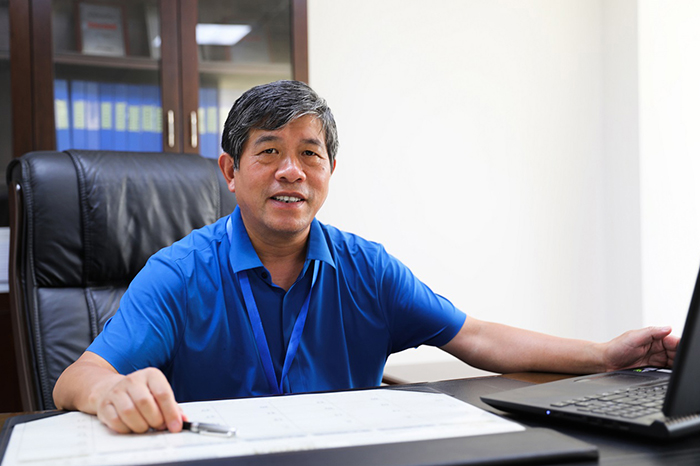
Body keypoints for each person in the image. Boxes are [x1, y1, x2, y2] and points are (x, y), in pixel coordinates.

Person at [53, 80, 679, 435]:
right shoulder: (179, 272)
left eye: (310, 153)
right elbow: (75, 378)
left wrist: (605, 355)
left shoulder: (366, 270)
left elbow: (475, 337)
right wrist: (112, 391)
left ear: (330, 170)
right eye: (268, 152)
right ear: (230, 171)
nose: (291, 171)